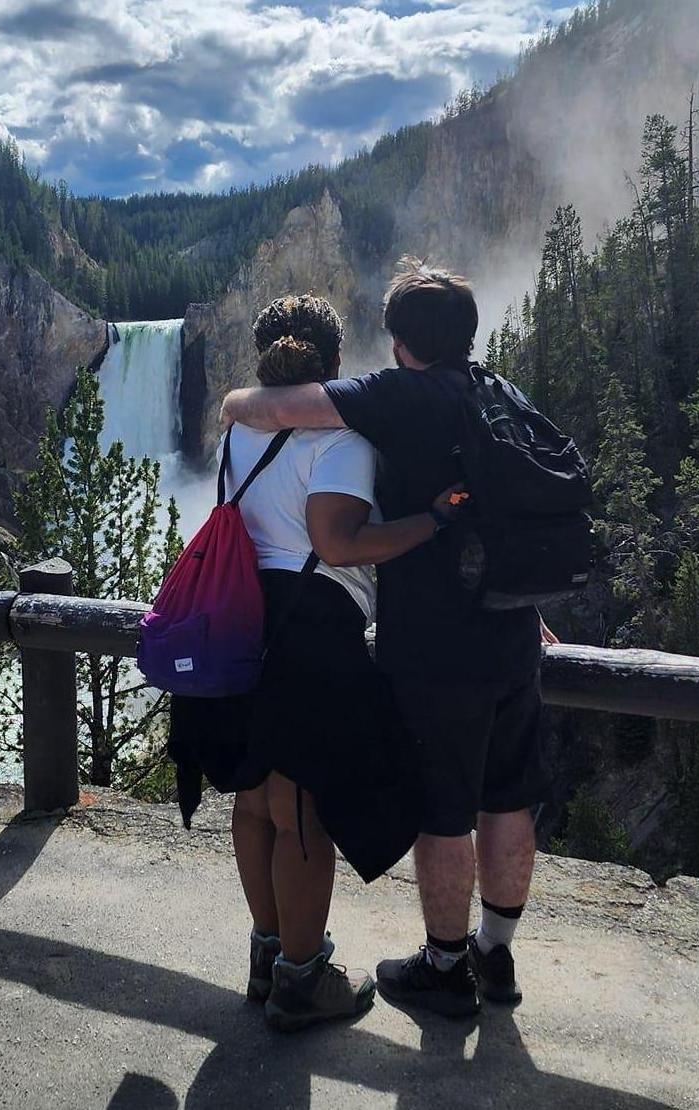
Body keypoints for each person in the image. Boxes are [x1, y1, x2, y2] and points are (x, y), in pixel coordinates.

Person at [221, 258, 555, 1018]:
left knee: (439, 807)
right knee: (507, 800)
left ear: (399, 340)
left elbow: (277, 413)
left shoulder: (390, 398)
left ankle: (439, 968)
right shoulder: (501, 392)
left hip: (431, 639)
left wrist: (233, 400)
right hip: (510, 625)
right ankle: (494, 957)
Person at [168, 293, 461, 1033]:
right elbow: (338, 545)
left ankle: (268, 956)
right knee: (300, 806)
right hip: (310, 626)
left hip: (239, 619)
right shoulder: (342, 440)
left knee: (253, 795)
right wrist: (430, 522)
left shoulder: (236, 427)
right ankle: (303, 979)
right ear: (334, 365)